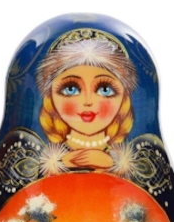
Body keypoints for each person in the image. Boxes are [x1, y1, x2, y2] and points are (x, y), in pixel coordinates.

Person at [35, 35, 138, 171]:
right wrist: (62, 162)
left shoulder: (138, 152)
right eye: (70, 89)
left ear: (124, 99)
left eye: (105, 90)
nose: (88, 102)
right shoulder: (39, 152)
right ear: (50, 98)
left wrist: (111, 162)